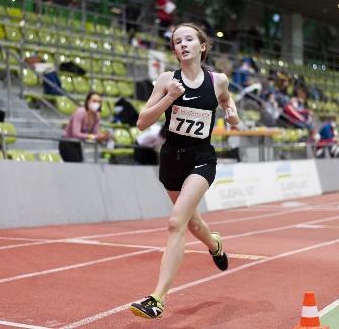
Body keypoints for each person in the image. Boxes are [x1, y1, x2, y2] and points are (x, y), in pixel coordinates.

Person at [129, 22, 240, 320]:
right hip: (171, 161)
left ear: (202, 46)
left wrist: (233, 115)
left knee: (175, 223)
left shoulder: (218, 81)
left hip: (201, 160)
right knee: (193, 224)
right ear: (175, 50)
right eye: (177, 41)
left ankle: (157, 298)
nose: (183, 44)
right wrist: (169, 98)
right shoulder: (167, 79)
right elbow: (142, 122)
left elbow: (227, 101)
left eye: (189, 39)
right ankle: (214, 244)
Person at [58, 92, 113, 162]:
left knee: (79, 164)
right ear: (88, 101)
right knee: (75, 164)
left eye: (99, 102)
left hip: (78, 143)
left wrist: (105, 136)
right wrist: (94, 137)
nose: (97, 104)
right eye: (94, 101)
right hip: (67, 142)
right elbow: (76, 134)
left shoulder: (96, 115)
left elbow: (96, 134)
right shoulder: (80, 112)